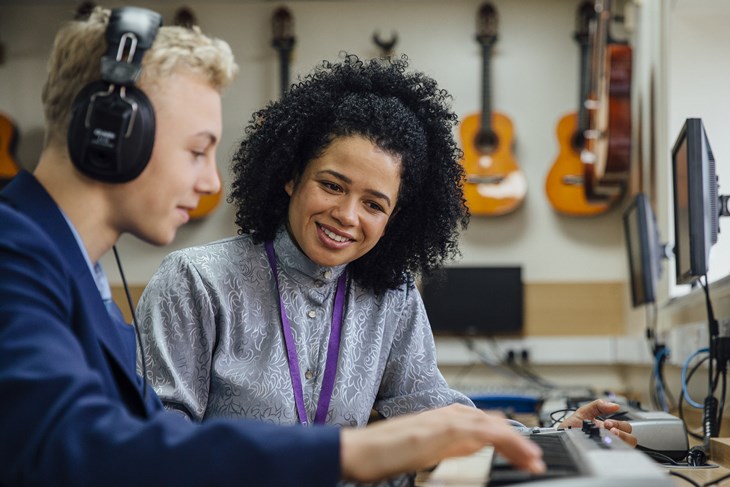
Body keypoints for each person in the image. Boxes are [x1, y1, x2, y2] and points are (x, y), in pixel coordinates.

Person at [0, 6, 547, 487]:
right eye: (197, 151)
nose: (212, 182)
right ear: (112, 137)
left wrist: (549, 434)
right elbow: (80, 456)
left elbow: (134, 446)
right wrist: (349, 451)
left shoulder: (72, 270)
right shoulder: (15, 257)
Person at [135, 54, 637, 449]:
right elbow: (157, 437)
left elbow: (429, 409)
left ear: (395, 216)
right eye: (332, 186)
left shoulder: (392, 296)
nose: (348, 216)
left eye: (374, 203)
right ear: (290, 176)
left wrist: (554, 437)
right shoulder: (195, 281)